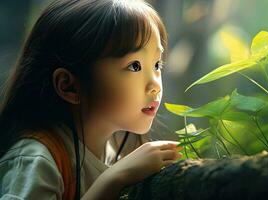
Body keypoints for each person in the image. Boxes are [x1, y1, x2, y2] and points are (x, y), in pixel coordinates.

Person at [0, 0, 182, 199]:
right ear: (69, 86)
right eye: (134, 66)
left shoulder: (115, 151)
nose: (155, 84)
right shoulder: (37, 160)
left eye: (157, 64)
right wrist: (114, 179)